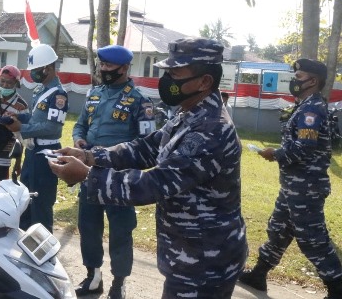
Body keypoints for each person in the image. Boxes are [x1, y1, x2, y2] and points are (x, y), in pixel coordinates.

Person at [48, 38, 247, 298]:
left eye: (175, 74)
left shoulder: (210, 130)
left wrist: (87, 175)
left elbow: (155, 184)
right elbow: (145, 148)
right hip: (189, 253)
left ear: (204, 82)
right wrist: (89, 156)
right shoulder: (188, 115)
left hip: (205, 260)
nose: (167, 80)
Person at [239, 58, 342, 298]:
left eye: (298, 78)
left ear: (312, 81)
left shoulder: (312, 108)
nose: (293, 82)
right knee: (279, 229)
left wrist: (275, 154)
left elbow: (304, 148)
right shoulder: (304, 104)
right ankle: (259, 274)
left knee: (312, 238)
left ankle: (337, 287)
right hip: (293, 186)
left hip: (306, 187)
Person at [72, 45, 155, 299]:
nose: (103, 70)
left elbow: (148, 143)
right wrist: (78, 139)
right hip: (89, 172)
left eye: (108, 66)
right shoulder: (94, 94)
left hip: (119, 178)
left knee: (120, 231)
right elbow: (80, 125)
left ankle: (119, 283)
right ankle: (93, 276)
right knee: (88, 226)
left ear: (124, 68)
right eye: (102, 65)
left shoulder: (140, 100)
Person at [4, 44, 68, 233]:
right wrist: (18, 118)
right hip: (32, 151)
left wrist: (21, 128)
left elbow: (52, 127)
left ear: (48, 68)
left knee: (41, 204)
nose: (33, 74)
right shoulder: (40, 90)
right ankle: (22, 243)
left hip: (46, 153)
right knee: (26, 199)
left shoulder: (58, 94)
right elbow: (35, 117)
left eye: (36, 70)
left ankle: (42, 251)